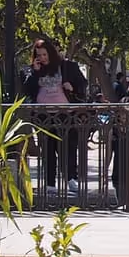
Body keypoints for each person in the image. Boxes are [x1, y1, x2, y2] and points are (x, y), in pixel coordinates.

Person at [22, 37, 87, 195]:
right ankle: (50, 182)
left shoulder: (66, 66)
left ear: (51, 53)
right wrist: (35, 73)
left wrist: (71, 87)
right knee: (48, 148)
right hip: (43, 114)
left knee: (68, 147)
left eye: (45, 54)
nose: (43, 58)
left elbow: (82, 83)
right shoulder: (34, 70)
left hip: (65, 113)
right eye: (39, 55)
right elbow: (27, 90)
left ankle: (71, 178)